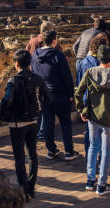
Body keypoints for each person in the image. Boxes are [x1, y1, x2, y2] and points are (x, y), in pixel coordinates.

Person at [75, 45, 110, 196]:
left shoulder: (89, 72)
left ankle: (90, 180)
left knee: (93, 147)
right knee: (106, 151)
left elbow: (78, 93)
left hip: (93, 117)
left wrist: (82, 110)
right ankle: (102, 184)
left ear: (98, 58)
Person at [0, 49, 51, 201]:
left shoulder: (13, 81)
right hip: (33, 121)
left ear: (16, 64)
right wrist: (40, 105)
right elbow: (48, 96)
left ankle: (23, 190)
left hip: (17, 124)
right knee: (33, 155)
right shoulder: (37, 78)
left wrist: (3, 114)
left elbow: (7, 101)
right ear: (29, 63)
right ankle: (31, 187)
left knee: (19, 158)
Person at [32, 30, 79, 161]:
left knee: (48, 123)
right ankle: (69, 151)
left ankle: (51, 150)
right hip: (60, 95)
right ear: (54, 40)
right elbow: (67, 77)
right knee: (65, 123)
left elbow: (34, 73)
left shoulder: (35, 55)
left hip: (44, 95)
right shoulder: (58, 55)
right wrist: (70, 94)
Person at [76, 33, 110, 153]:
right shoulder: (101, 66)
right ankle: (102, 161)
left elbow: (79, 84)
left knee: (89, 133)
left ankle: (89, 158)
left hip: (87, 102)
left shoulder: (83, 63)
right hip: (101, 103)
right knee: (102, 134)